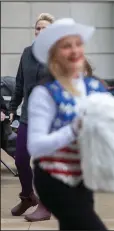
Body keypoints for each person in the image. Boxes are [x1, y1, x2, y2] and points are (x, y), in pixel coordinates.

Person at [27, 18, 108, 230]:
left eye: (78, 44)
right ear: (54, 53)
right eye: (66, 46)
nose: (74, 50)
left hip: (83, 177)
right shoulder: (44, 92)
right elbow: (35, 146)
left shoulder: (94, 86)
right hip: (54, 179)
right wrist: (74, 129)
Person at [8, 13, 54, 222]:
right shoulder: (27, 53)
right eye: (38, 28)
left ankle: (45, 207)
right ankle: (28, 196)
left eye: (45, 28)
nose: (40, 32)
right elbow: (19, 83)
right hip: (28, 115)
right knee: (20, 159)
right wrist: (12, 107)